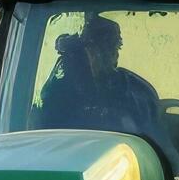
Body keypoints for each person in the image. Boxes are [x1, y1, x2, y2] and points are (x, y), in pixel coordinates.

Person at [36, 13, 164, 145]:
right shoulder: (58, 95)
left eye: (114, 47)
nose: (112, 55)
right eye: (101, 48)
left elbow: (155, 145)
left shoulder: (133, 89)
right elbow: (46, 144)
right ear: (84, 50)